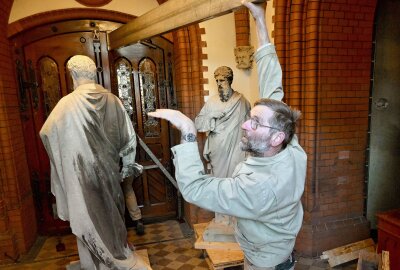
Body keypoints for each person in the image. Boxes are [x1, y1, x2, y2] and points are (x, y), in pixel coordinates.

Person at [148, 1, 306, 269]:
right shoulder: (291, 149)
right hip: (278, 253)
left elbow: (195, 189)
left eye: (254, 123)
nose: (245, 125)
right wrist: (260, 22)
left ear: (276, 137)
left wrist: (187, 133)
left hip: (264, 263)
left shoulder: (257, 188)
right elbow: (273, 89)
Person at [40, 55, 147, 269]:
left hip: (83, 176)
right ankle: (119, 253)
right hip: (110, 172)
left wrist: (68, 155)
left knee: (89, 217)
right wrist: (127, 165)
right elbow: (129, 138)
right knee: (113, 214)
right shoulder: (113, 100)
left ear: (73, 74)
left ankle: (96, 263)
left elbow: (46, 133)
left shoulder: (67, 104)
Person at [195, 66, 250, 240]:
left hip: (236, 148)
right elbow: (199, 123)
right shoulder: (211, 102)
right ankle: (221, 219)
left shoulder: (242, 101)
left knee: (235, 180)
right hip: (218, 149)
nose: (219, 84)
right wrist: (213, 116)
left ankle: (235, 218)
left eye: (222, 80)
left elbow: (249, 126)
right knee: (219, 182)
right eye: (217, 81)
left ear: (230, 80)